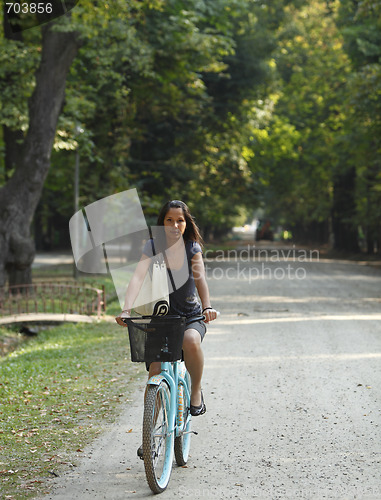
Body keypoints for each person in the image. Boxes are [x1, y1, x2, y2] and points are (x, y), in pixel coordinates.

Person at [115, 199, 218, 416]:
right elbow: (137, 278)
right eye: (169, 220)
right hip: (160, 318)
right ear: (161, 223)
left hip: (190, 316)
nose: (174, 225)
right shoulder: (152, 247)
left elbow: (201, 281)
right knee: (155, 371)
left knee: (190, 341)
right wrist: (126, 309)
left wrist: (207, 307)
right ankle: (149, 435)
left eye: (180, 220)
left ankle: (196, 390)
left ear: (186, 223)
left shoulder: (192, 248)